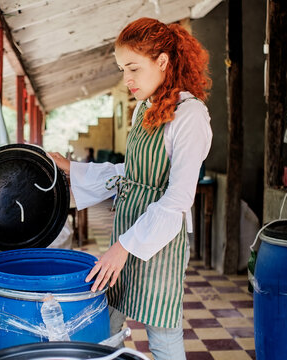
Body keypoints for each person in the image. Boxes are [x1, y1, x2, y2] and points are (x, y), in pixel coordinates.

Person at [49, 17, 212, 360]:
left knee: (163, 337)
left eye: (134, 68)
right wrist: (72, 168)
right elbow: (132, 172)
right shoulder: (145, 109)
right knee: (105, 321)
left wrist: (124, 247)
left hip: (159, 242)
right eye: (123, 69)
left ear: (163, 62)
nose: (127, 79)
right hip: (127, 228)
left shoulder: (190, 116)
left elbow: (178, 199)